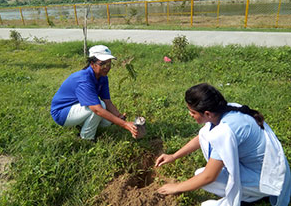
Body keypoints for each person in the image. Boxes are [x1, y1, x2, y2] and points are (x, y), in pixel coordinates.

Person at [155, 83, 290, 206]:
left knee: (202, 176)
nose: (190, 115)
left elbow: (209, 176)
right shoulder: (226, 109)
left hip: (266, 177)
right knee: (201, 175)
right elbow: (203, 136)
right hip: (268, 168)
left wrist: (177, 187)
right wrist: (173, 156)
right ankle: (253, 193)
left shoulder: (226, 131)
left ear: (207, 113)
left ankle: (255, 195)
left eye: (192, 112)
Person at [50, 45, 138, 140]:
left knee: (108, 121)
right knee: (99, 106)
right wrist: (124, 125)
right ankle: (87, 138)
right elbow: (97, 109)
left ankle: (81, 124)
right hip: (62, 113)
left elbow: (107, 101)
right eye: (103, 64)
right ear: (92, 64)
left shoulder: (102, 77)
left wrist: (119, 117)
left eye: (109, 64)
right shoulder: (84, 79)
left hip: (77, 108)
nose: (107, 68)